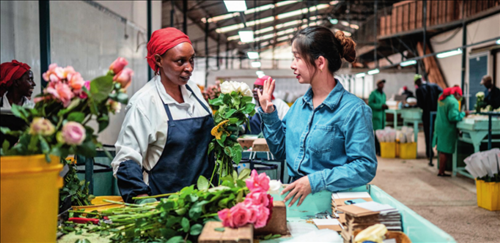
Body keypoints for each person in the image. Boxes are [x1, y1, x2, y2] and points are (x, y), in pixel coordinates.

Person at [257, 27, 377, 207]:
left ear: (320, 62)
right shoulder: (298, 106)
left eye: (297, 57)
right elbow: (282, 151)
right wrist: (269, 114)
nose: (292, 64)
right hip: (296, 200)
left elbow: (364, 167)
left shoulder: (353, 110)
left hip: (331, 205)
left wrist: (315, 181)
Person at [111, 28, 214, 203]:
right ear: (159, 60)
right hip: (166, 205)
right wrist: (141, 197)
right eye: (180, 61)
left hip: (204, 199)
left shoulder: (194, 91)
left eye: (191, 60)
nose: (189, 68)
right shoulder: (144, 103)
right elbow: (126, 159)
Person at [433, 86, 466, 177]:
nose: (460, 99)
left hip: (439, 125)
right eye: (460, 97)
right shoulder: (453, 102)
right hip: (447, 128)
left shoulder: (442, 97)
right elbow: (453, 117)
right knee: (445, 150)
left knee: (441, 149)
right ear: (456, 94)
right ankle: (441, 172)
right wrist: (464, 114)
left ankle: (441, 170)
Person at [415, 74, 443, 163]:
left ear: (417, 81)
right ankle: (440, 153)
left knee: (428, 134)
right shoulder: (434, 86)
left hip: (427, 114)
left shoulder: (419, 90)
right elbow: (442, 93)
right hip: (437, 113)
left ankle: (429, 153)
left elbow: (420, 104)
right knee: (438, 133)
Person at [368, 79, 388, 155]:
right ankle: (376, 150)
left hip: (382, 116)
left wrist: (385, 106)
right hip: (376, 116)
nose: (382, 85)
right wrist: (380, 106)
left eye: (383, 83)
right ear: (377, 84)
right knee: (376, 134)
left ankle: (381, 150)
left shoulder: (384, 94)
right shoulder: (373, 94)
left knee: (381, 134)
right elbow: (370, 104)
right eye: (380, 83)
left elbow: (383, 103)